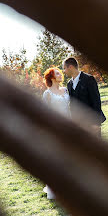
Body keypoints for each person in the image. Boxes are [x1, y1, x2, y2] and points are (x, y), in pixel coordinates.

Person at [41, 67, 70, 199]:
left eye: (60, 72)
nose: (60, 74)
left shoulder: (65, 90)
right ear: (51, 77)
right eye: (57, 73)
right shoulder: (47, 94)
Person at [63, 57, 106, 136]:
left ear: (70, 67)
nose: (64, 71)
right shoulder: (69, 84)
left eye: (64, 68)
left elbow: (96, 101)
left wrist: (96, 123)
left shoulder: (89, 79)